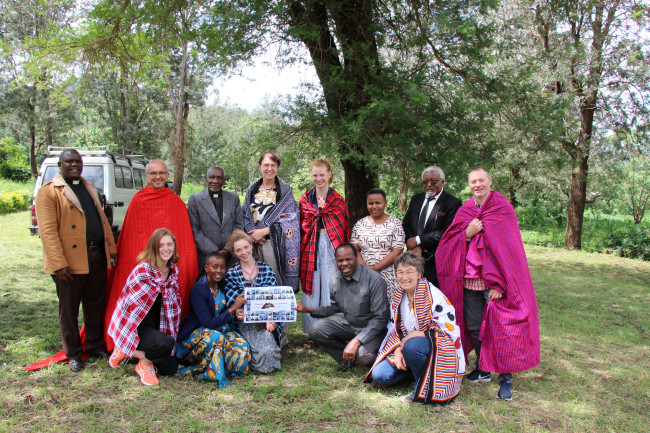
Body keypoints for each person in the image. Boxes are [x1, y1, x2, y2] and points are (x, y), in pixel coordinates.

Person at [436, 167, 540, 401]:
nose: (477, 185)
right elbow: (449, 242)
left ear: (490, 181)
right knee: (473, 326)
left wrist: (500, 284)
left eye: (481, 180)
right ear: (469, 184)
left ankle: (505, 377)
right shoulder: (465, 210)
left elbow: (508, 251)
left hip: (494, 282)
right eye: (473, 182)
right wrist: (468, 234)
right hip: (470, 279)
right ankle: (483, 369)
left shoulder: (502, 208)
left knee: (500, 327)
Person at [34, 149, 118, 372]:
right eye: (69, 161)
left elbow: (102, 222)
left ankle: (95, 346)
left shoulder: (89, 187)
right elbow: (48, 232)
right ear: (60, 165)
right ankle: (73, 353)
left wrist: (111, 249)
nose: (74, 165)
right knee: (69, 310)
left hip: (96, 257)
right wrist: (58, 264)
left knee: (95, 306)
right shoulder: (49, 192)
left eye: (77, 162)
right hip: (69, 262)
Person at [103, 159, 198, 353]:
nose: (158, 177)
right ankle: (133, 341)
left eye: (162, 173)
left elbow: (183, 240)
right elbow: (131, 239)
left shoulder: (176, 203)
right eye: (153, 173)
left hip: (167, 268)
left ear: (167, 175)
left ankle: (162, 341)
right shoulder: (138, 200)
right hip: (145, 268)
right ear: (147, 176)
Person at [364, 252, 465, 404]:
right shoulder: (398, 297)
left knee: (412, 346)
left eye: (409, 272)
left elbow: (445, 330)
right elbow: (393, 329)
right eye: (400, 272)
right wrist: (398, 349)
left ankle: (421, 387)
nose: (404, 277)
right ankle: (416, 371)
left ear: (419, 273)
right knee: (380, 375)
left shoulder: (434, 296)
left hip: (435, 347)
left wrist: (408, 340)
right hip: (408, 347)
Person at [294, 244, 389, 370]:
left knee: (363, 356)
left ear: (356, 257)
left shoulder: (374, 280)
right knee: (316, 329)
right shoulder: (335, 279)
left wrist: (357, 341)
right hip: (348, 324)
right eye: (340, 260)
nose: (344, 264)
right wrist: (308, 309)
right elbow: (334, 309)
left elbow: (380, 319)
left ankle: (367, 353)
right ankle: (345, 357)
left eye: (348, 259)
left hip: (371, 329)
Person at [107, 228, 181, 386]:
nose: (166, 249)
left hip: (158, 328)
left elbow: (173, 305)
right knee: (165, 343)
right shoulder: (143, 271)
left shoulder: (173, 272)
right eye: (161, 245)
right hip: (136, 328)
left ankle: (126, 352)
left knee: (171, 369)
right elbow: (128, 309)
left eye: (169, 244)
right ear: (154, 247)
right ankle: (143, 362)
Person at [176, 252, 251, 385]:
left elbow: (225, 311)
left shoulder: (222, 285)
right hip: (196, 335)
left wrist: (237, 311)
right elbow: (208, 323)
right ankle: (212, 373)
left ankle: (229, 369)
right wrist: (233, 308)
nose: (219, 271)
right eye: (214, 267)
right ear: (206, 268)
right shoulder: (199, 290)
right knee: (217, 338)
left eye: (222, 267)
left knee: (241, 344)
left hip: (220, 329)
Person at [299, 159, 350, 339]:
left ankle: (330, 332)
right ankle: (312, 334)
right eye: (315, 175)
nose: (318, 179)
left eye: (322, 175)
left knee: (331, 287)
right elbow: (301, 227)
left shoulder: (337, 200)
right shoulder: (305, 199)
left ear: (329, 174)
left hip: (332, 245)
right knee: (310, 288)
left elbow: (343, 228)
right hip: (310, 246)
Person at [223, 230, 282, 373]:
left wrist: (271, 319)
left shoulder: (266, 270)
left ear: (251, 246)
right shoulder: (232, 274)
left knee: (269, 353)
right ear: (234, 253)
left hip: (264, 321)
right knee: (252, 354)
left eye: (245, 247)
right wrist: (237, 311)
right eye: (238, 250)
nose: (243, 252)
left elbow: (273, 300)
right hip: (245, 323)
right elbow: (233, 303)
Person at [242, 152, 300, 293]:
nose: (269, 169)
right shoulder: (252, 189)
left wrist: (265, 231)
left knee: (273, 281)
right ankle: (257, 313)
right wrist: (252, 235)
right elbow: (244, 214)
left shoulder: (284, 191)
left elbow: (292, 218)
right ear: (260, 167)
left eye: (273, 165)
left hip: (272, 244)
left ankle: (278, 312)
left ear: (277, 168)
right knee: (254, 280)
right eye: (266, 165)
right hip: (252, 243)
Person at [403, 166, 462, 286]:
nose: (429, 184)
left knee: (432, 299)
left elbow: (447, 232)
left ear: (442, 181)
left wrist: (418, 241)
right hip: (413, 259)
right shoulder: (416, 199)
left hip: (435, 261)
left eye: (433, 181)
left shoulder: (453, 203)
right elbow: (406, 224)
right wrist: (413, 245)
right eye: (425, 182)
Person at [351, 188, 405, 302]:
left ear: (385, 203)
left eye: (378, 203)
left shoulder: (395, 224)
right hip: (364, 274)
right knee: (366, 307)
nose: (374, 206)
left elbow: (397, 250)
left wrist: (375, 268)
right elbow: (355, 250)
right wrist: (366, 269)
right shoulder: (360, 224)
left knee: (388, 309)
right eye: (370, 203)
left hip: (388, 274)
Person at [188, 166, 244, 270]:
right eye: (211, 177)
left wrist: (227, 249)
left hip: (230, 256)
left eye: (219, 178)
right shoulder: (195, 199)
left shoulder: (233, 198)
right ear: (206, 178)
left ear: (224, 180)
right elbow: (195, 230)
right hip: (206, 257)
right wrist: (214, 251)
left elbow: (239, 226)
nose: (215, 181)